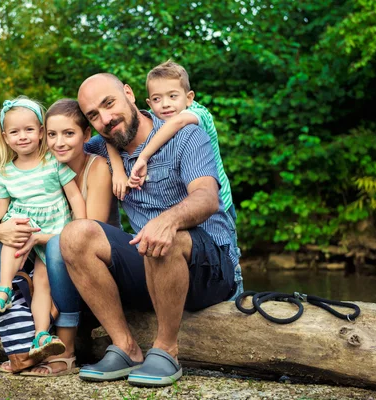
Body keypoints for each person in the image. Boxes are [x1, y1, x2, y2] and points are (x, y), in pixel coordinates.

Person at [59, 73, 240, 387]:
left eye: (109, 103)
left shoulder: (185, 131)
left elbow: (207, 198)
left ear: (128, 93)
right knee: (75, 235)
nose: (105, 118)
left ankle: (166, 349)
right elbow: (46, 153)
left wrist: (168, 220)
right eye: (93, 115)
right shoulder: (101, 147)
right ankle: (126, 346)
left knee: (162, 234)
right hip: (150, 261)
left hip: (210, 266)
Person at [0, 99, 120, 376]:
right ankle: (26, 344)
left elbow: (86, 229)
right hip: (37, 242)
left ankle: (65, 350)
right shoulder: (17, 169)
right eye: (54, 134)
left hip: (84, 261)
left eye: (67, 134)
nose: (59, 142)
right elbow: (3, 203)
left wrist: (39, 236)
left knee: (56, 247)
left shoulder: (73, 164)